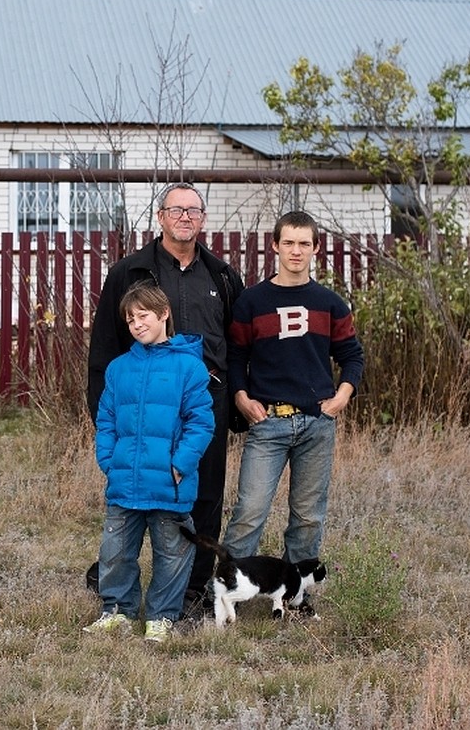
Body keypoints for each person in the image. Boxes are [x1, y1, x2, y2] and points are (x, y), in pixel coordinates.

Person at [85, 181, 245, 622]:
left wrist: (236, 401)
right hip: (141, 406)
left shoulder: (222, 276)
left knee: (204, 499)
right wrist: (104, 418)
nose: (185, 218)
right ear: (160, 217)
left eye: (194, 210)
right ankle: (119, 595)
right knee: (134, 500)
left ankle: (190, 593)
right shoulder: (129, 273)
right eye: (176, 210)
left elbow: (237, 345)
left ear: (203, 219)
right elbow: (104, 346)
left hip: (202, 401)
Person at [222, 210, 363, 614]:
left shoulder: (330, 303)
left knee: (308, 517)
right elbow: (236, 356)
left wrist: (343, 395)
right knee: (249, 511)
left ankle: (296, 598)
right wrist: (241, 396)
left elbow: (352, 355)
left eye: (304, 243)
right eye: (289, 243)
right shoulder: (252, 301)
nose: (296, 251)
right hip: (268, 423)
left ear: (315, 248)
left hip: (317, 424)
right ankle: (229, 592)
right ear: (275, 246)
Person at [83, 283, 215, 643]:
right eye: (130, 319)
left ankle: (161, 617)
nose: (137, 324)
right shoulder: (119, 368)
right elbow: (107, 418)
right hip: (124, 480)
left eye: (143, 316)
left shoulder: (189, 367)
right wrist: (109, 460)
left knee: (172, 554)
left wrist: (180, 464)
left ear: (163, 314)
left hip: (169, 482)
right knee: (115, 553)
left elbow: (201, 422)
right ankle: (118, 611)